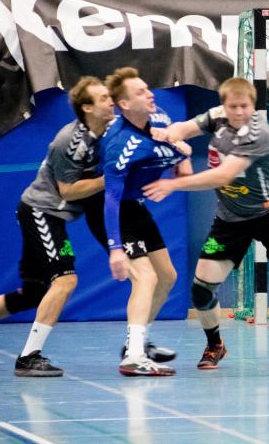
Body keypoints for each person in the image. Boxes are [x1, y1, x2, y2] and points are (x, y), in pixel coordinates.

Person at [142, 77, 269, 371]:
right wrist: (165, 136)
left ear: (253, 106)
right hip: (229, 220)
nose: (239, 112)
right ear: (223, 106)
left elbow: (223, 176)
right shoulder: (216, 117)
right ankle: (215, 344)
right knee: (201, 290)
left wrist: (173, 185)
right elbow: (183, 129)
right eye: (233, 107)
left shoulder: (258, 133)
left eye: (245, 107)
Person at [0, 76, 115, 376]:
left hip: (51, 215)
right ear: (87, 107)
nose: (111, 101)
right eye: (103, 98)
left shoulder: (110, 131)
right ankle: (28, 358)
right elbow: (68, 191)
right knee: (66, 280)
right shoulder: (70, 141)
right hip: (41, 211)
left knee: (33, 293)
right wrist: (110, 179)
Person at [101, 67, 191, 376]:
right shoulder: (120, 144)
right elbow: (111, 198)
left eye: (147, 88)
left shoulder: (160, 116)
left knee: (167, 277)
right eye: (140, 92)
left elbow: (177, 146)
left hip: (137, 207)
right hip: (115, 210)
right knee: (146, 278)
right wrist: (115, 248)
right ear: (125, 104)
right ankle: (133, 357)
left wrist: (183, 154)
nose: (150, 94)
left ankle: (137, 343)